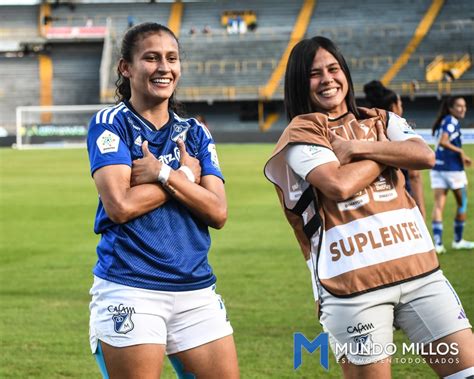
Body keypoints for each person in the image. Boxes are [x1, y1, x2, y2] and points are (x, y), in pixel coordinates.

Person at [264, 36, 473, 378]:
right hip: (354, 289)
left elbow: (425, 156)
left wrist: (360, 147)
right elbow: (340, 185)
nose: (327, 79)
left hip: (421, 274)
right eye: (315, 73)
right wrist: (385, 149)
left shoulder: (382, 118)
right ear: (301, 82)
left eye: (333, 69)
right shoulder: (302, 131)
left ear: (345, 73)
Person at [86, 22, 239, 379]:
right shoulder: (110, 123)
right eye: (151, 58)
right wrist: (185, 177)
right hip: (131, 287)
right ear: (126, 67)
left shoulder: (195, 131)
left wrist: (161, 174)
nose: (163, 68)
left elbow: (217, 211)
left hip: (195, 290)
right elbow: (120, 206)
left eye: (171, 58)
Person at [363, 80, 426, 219]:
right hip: (401, 197)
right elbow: (414, 175)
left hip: (373, 203)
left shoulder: (364, 129)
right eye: (400, 103)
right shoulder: (401, 132)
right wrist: (421, 209)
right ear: (394, 106)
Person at [431, 96, 473, 254]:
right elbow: (444, 141)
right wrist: (461, 151)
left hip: (437, 168)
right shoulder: (451, 121)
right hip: (453, 170)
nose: (463, 109)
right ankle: (458, 241)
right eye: (459, 106)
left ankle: (438, 244)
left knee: (438, 205)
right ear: (451, 108)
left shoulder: (445, 120)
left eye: (464, 106)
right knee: (462, 204)